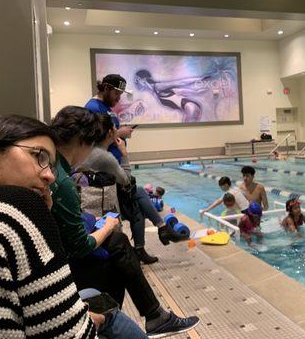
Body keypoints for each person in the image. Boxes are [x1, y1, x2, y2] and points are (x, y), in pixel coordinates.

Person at [0, 115, 100, 338]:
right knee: (101, 307)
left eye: (51, 166)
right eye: (38, 156)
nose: (49, 176)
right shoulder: (23, 206)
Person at [50, 106, 200, 337]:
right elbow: (80, 245)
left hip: (57, 250)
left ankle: (153, 314)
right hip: (64, 263)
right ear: (82, 141)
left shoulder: (54, 166)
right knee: (119, 245)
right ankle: (145, 315)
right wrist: (107, 225)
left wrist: (93, 220)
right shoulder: (64, 178)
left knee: (120, 239)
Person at [80, 114, 186, 264]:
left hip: (95, 196)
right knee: (138, 197)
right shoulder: (104, 156)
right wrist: (124, 154)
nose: (118, 129)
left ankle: (152, 238)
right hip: (100, 203)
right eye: (116, 127)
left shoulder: (91, 149)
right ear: (110, 133)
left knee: (138, 201)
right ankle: (158, 232)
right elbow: (126, 180)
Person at [134, 69, 220, 123]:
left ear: (143, 80)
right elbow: (183, 91)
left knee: (188, 136)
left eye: (137, 80)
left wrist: (200, 78)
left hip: (190, 107)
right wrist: (197, 91)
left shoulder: (158, 87)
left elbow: (180, 82)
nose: (136, 83)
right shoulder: (155, 91)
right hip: (190, 108)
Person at [85, 73, 134, 163]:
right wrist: (120, 133)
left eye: (120, 94)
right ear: (106, 88)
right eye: (116, 93)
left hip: (114, 164)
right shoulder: (93, 108)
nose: (118, 98)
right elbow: (92, 142)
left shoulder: (107, 108)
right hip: (103, 166)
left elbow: (107, 130)